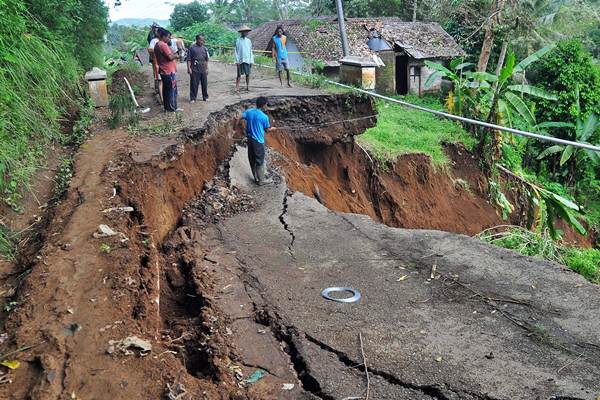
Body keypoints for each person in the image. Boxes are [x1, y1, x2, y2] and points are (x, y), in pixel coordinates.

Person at [240, 97, 275, 185]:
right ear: (263, 105)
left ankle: (256, 178)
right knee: (259, 161)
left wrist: (233, 129)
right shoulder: (264, 117)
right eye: (266, 104)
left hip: (250, 139)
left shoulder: (249, 112)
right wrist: (273, 129)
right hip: (258, 141)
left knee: (252, 159)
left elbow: (239, 117)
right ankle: (261, 181)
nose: (267, 106)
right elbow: (267, 130)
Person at [154, 28, 182, 112]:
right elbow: (170, 57)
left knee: (166, 90)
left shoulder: (157, 44)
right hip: (168, 71)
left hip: (164, 70)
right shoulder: (163, 45)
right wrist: (177, 55)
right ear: (164, 36)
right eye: (168, 37)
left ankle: (167, 108)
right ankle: (172, 109)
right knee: (171, 90)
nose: (169, 39)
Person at [187, 35, 209, 103]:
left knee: (204, 83)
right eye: (201, 40)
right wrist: (189, 68)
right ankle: (193, 98)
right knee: (194, 84)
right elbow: (189, 59)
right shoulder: (192, 48)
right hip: (194, 68)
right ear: (197, 40)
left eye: (203, 40)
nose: (202, 41)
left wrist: (207, 68)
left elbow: (206, 59)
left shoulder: (204, 48)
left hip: (203, 68)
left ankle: (205, 97)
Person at [235, 25, 254, 92]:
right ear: (241, 32)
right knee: (239, 75)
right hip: (240, 60)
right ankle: (237, 87)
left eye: (246, 32)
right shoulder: (238, 40)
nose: (245, 33)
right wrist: (237, 61)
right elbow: (236, 51)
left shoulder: (248, 41)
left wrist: (251, 60)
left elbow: (250, 51)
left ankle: (248, 86)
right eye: (244, 32)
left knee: (247, 74)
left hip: (247, 60)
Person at [148, 30, 163, 104]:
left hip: (163, 64)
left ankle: (161, 96)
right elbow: (150, 49)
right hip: (157, 63)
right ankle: (161, 98)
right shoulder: (154, 40)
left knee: (161, 80)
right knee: (159, 80)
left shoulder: (164, 41)